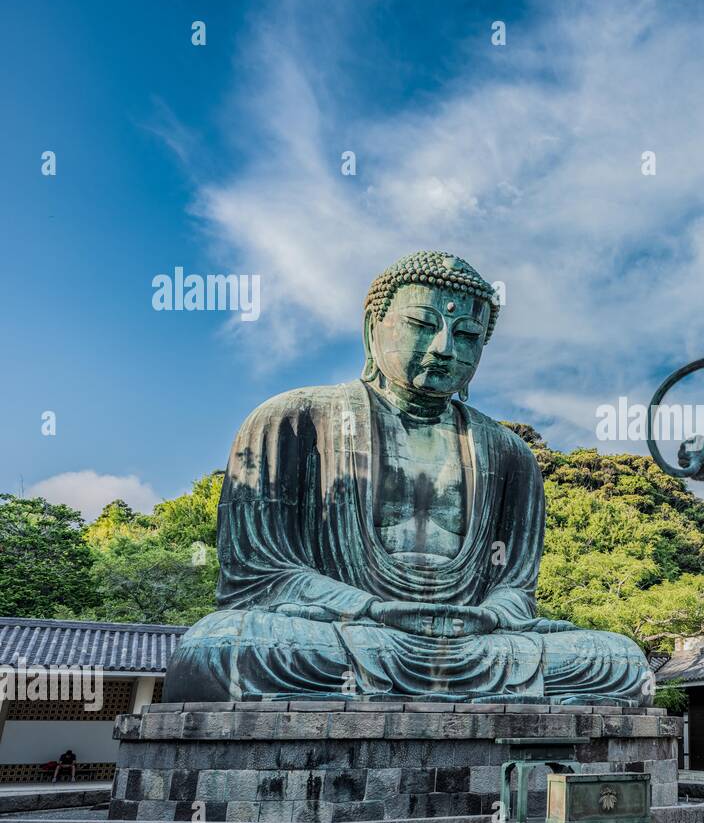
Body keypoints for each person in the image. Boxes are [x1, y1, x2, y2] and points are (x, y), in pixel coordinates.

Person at [163, 252, 652, 705]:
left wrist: (490, 616)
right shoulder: (293, 419)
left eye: (466, 336)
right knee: (221, 649)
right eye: (423, 325)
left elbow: (515, 588)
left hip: (475, 641)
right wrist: (371, 610)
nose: (444, 349)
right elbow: (259, 578)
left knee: (620, 660)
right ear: (374, 326)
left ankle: (435, 678)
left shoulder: (509, 453)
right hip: (351, 633)